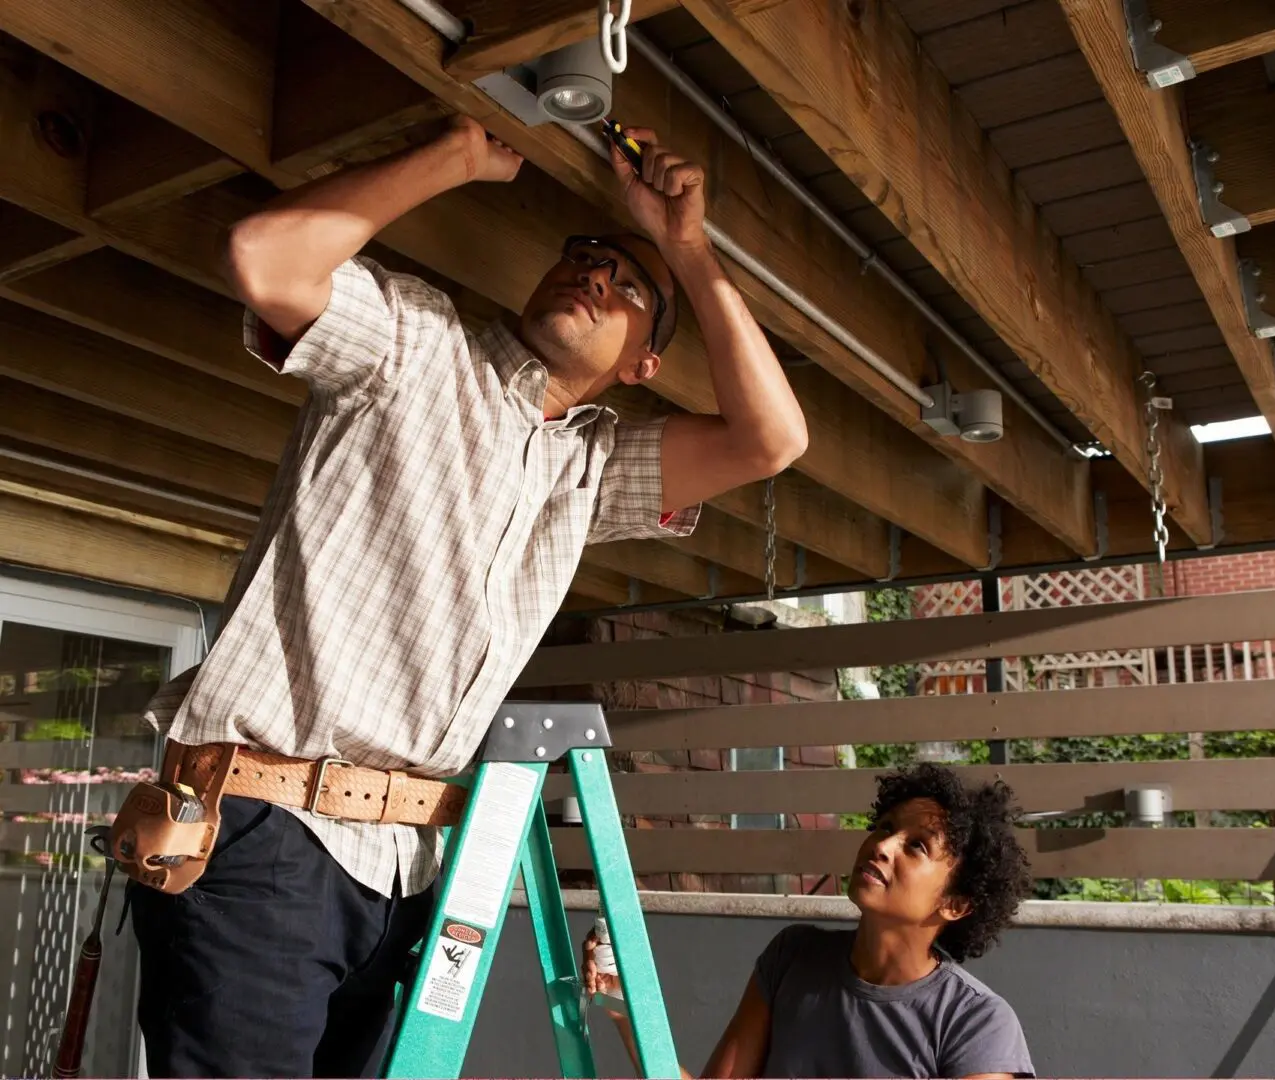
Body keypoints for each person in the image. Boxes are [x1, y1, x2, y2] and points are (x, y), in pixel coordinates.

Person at [122, 113, 808, 1079]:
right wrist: (459, 155)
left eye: (627, 287)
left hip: (406, 876)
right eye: (581, 260)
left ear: (642, 363)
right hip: (267, 828)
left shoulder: (593, 468)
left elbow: (772, 439)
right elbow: (263, 258)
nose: (594, 277)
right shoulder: (414, 342)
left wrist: (686, 246)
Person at [585, 763, 1035, 1079]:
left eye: (916, 846)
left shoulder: (977, 1022)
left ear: (956, 903)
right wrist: (626, 1002)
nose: (882, 845)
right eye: (884, 827)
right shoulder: (792, 957)